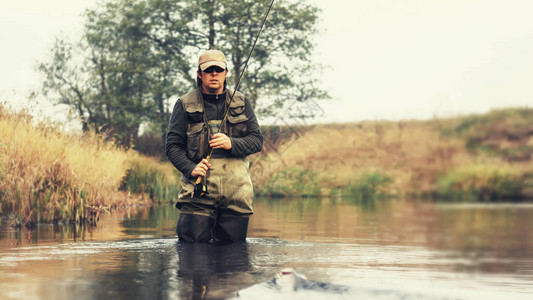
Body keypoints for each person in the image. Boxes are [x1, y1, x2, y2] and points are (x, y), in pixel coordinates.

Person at [166, 49, 263, 243]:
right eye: (208, 70)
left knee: (234, 263)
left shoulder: (242, 102)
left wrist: (231, 143)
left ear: (226, 73)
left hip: (236, 195)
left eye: (218, 69)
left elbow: (256, 141)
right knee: (193, 260)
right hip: (197, 194)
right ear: (199, 74)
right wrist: (190, 168)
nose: (213, 74)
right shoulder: (184, 104)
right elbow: (172, 147)